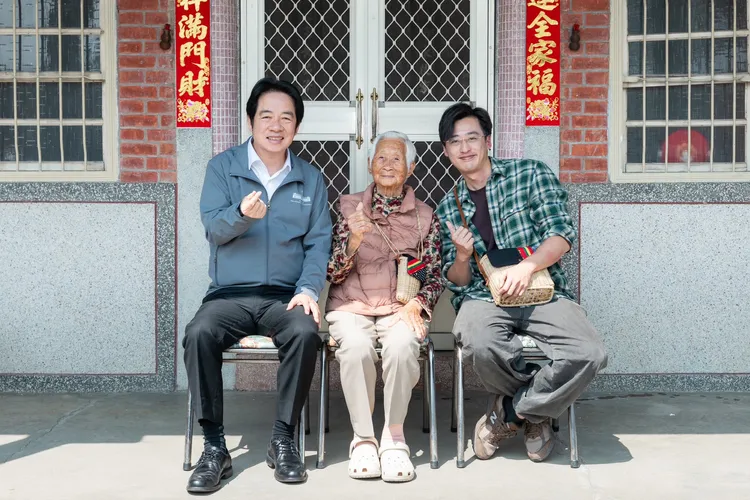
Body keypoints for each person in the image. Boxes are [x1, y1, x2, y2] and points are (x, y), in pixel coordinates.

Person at [435, 103, 607, 463]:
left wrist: (527, 267)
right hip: (484, 297)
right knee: (478, 342)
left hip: (544, 292)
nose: (465, 148)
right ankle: (537, 415)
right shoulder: (448, 207)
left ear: (488, 140)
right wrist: (462, 256)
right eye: (455, 142)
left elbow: (561, 235)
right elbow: (456, 279)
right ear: (446, 151)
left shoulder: (530, 174)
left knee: (589, 353)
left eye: (472, 138)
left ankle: (511, 413)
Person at [183, 77, 332, 492]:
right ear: (251, 121)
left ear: (296, 127)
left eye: (286, 117)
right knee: (199, 334)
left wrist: (307, 289)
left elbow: (319, 244)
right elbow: (214, 229)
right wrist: (242, 215)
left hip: (284, 297)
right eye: (266, 115)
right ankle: (214, 447)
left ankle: (283, 439)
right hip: (229, 295)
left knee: (305, 332)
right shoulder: (223, 168)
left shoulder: (309, 178)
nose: (275, 125)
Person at [325, 131, 444, 482]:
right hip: (350, 304)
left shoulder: (425, 217)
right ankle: (363, 439)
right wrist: (353, 240)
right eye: (381, 158)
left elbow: (433, 273)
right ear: (369, 164)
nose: (388, 165)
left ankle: (393, 438)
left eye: (396, 159)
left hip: (399, 307)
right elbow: (331, 272)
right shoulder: (348, 207)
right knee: (356, 347)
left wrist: (418, 303)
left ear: (411, 167)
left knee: (403, 345)